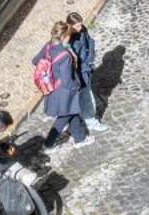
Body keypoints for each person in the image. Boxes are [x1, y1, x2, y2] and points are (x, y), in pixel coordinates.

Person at [35, 20, 91, 149]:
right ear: (65, 37)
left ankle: (80, 138)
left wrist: (51, 72)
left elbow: (35, 60)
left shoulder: (48, 46)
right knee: (64, 118)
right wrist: (76, 87)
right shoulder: (65, 55)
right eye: (69, 36)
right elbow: (67, 80)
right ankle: (48, 144)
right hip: (65, 92)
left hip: (53, 88)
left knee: (74, 112)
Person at [68, 11, 108, 133]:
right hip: (79, 72)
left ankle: (85, 120)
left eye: (81, 25)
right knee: (86, 97)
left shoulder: (83, 30)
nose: (81, 28)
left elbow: (90, 42)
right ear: (70, 25)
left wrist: (90, 57)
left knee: (85, 96)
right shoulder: (68, 39)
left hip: (86, 69)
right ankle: (89, 121)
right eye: (78, 26)